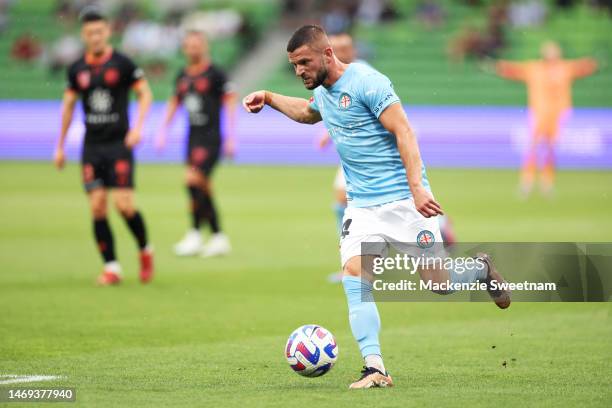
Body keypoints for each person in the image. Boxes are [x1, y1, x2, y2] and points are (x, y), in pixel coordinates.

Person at [243, 25, 510, 389]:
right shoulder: (323, 92)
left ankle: (480, 269)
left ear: (327, 55)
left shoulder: (369, 82)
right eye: (294, 65)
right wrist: (270, 97)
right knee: (356, 277)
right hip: (362, 208)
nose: (300, 71)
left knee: (440, 283)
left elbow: (405, 131)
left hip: (402, 201)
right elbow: (309, 114)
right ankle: (375, 367)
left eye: (304, 62)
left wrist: (417, 188)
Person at [54, 8, 154, 286]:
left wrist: (138, 128)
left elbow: (145, 94)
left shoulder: (122, 63)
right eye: (89, 33)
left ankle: (145, 249)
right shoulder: (77, 69)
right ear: (83, 35)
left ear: (108, 32)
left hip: (119, 144)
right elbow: (68, 107)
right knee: (98, 207)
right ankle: (111, 267)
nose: (95, 37)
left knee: (124, 206)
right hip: (92, 146)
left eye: (99, 32)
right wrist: (60, 146)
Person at [156, 30, 236, 257]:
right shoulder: (182, 75)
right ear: (184, 49)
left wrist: (231, 136)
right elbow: (175, 102)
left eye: (197, 45)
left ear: (205, 46)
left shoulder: (215, 74)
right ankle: (216, 236)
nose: (193, 49)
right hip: (192, 138)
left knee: (192, 180)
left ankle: (196, 233)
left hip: (211, 138)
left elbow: (230, 103)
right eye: (189, 46)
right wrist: (163, 130)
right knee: (200, 187)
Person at [495, 41, 597, 197]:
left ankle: (546, 183)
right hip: (539, 113)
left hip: (557, 114)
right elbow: (514, 70)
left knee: (550, 149)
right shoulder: (534, 69)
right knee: (533, 147)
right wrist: (501, 66)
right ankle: (527, 182)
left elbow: (584, 67)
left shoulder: (564, 68)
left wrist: (592, 62)